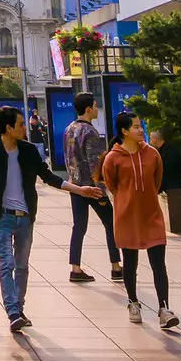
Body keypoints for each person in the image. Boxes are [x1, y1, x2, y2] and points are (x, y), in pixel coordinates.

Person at [0, 105, 103, 333]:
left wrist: (79, 190)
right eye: (20, 124)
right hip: (2, 216)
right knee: (6, 264)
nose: (24, 127)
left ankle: (19, 307)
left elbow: (47, 177)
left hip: (25, 217)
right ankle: (13, 311)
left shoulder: (28, 150)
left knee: (22, 266)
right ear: (8, 128)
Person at [101, 111, 176, 329]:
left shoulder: (152, 154)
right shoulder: (112, 158)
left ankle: (164, 308)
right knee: (130, 263)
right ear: (124, 131)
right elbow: (112, 184)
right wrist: (127, 200)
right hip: (126, 216)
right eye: (135, 127)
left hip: (151, 214)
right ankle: (133, 302)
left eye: (140, 125)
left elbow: (157, 180)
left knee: (158, 264)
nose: (140, 130)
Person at [63, 93, 120, 283]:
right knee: (110, 223)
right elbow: (95, 164)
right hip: (92, 188)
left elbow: (68, 159)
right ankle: (116, 266)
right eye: (95, 106)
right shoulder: (91, 133)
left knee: (79, 226)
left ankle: (75, 268)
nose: (97, 109)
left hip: (75, 186)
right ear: (87, 109)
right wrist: (101, 190)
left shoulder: (69, 129)